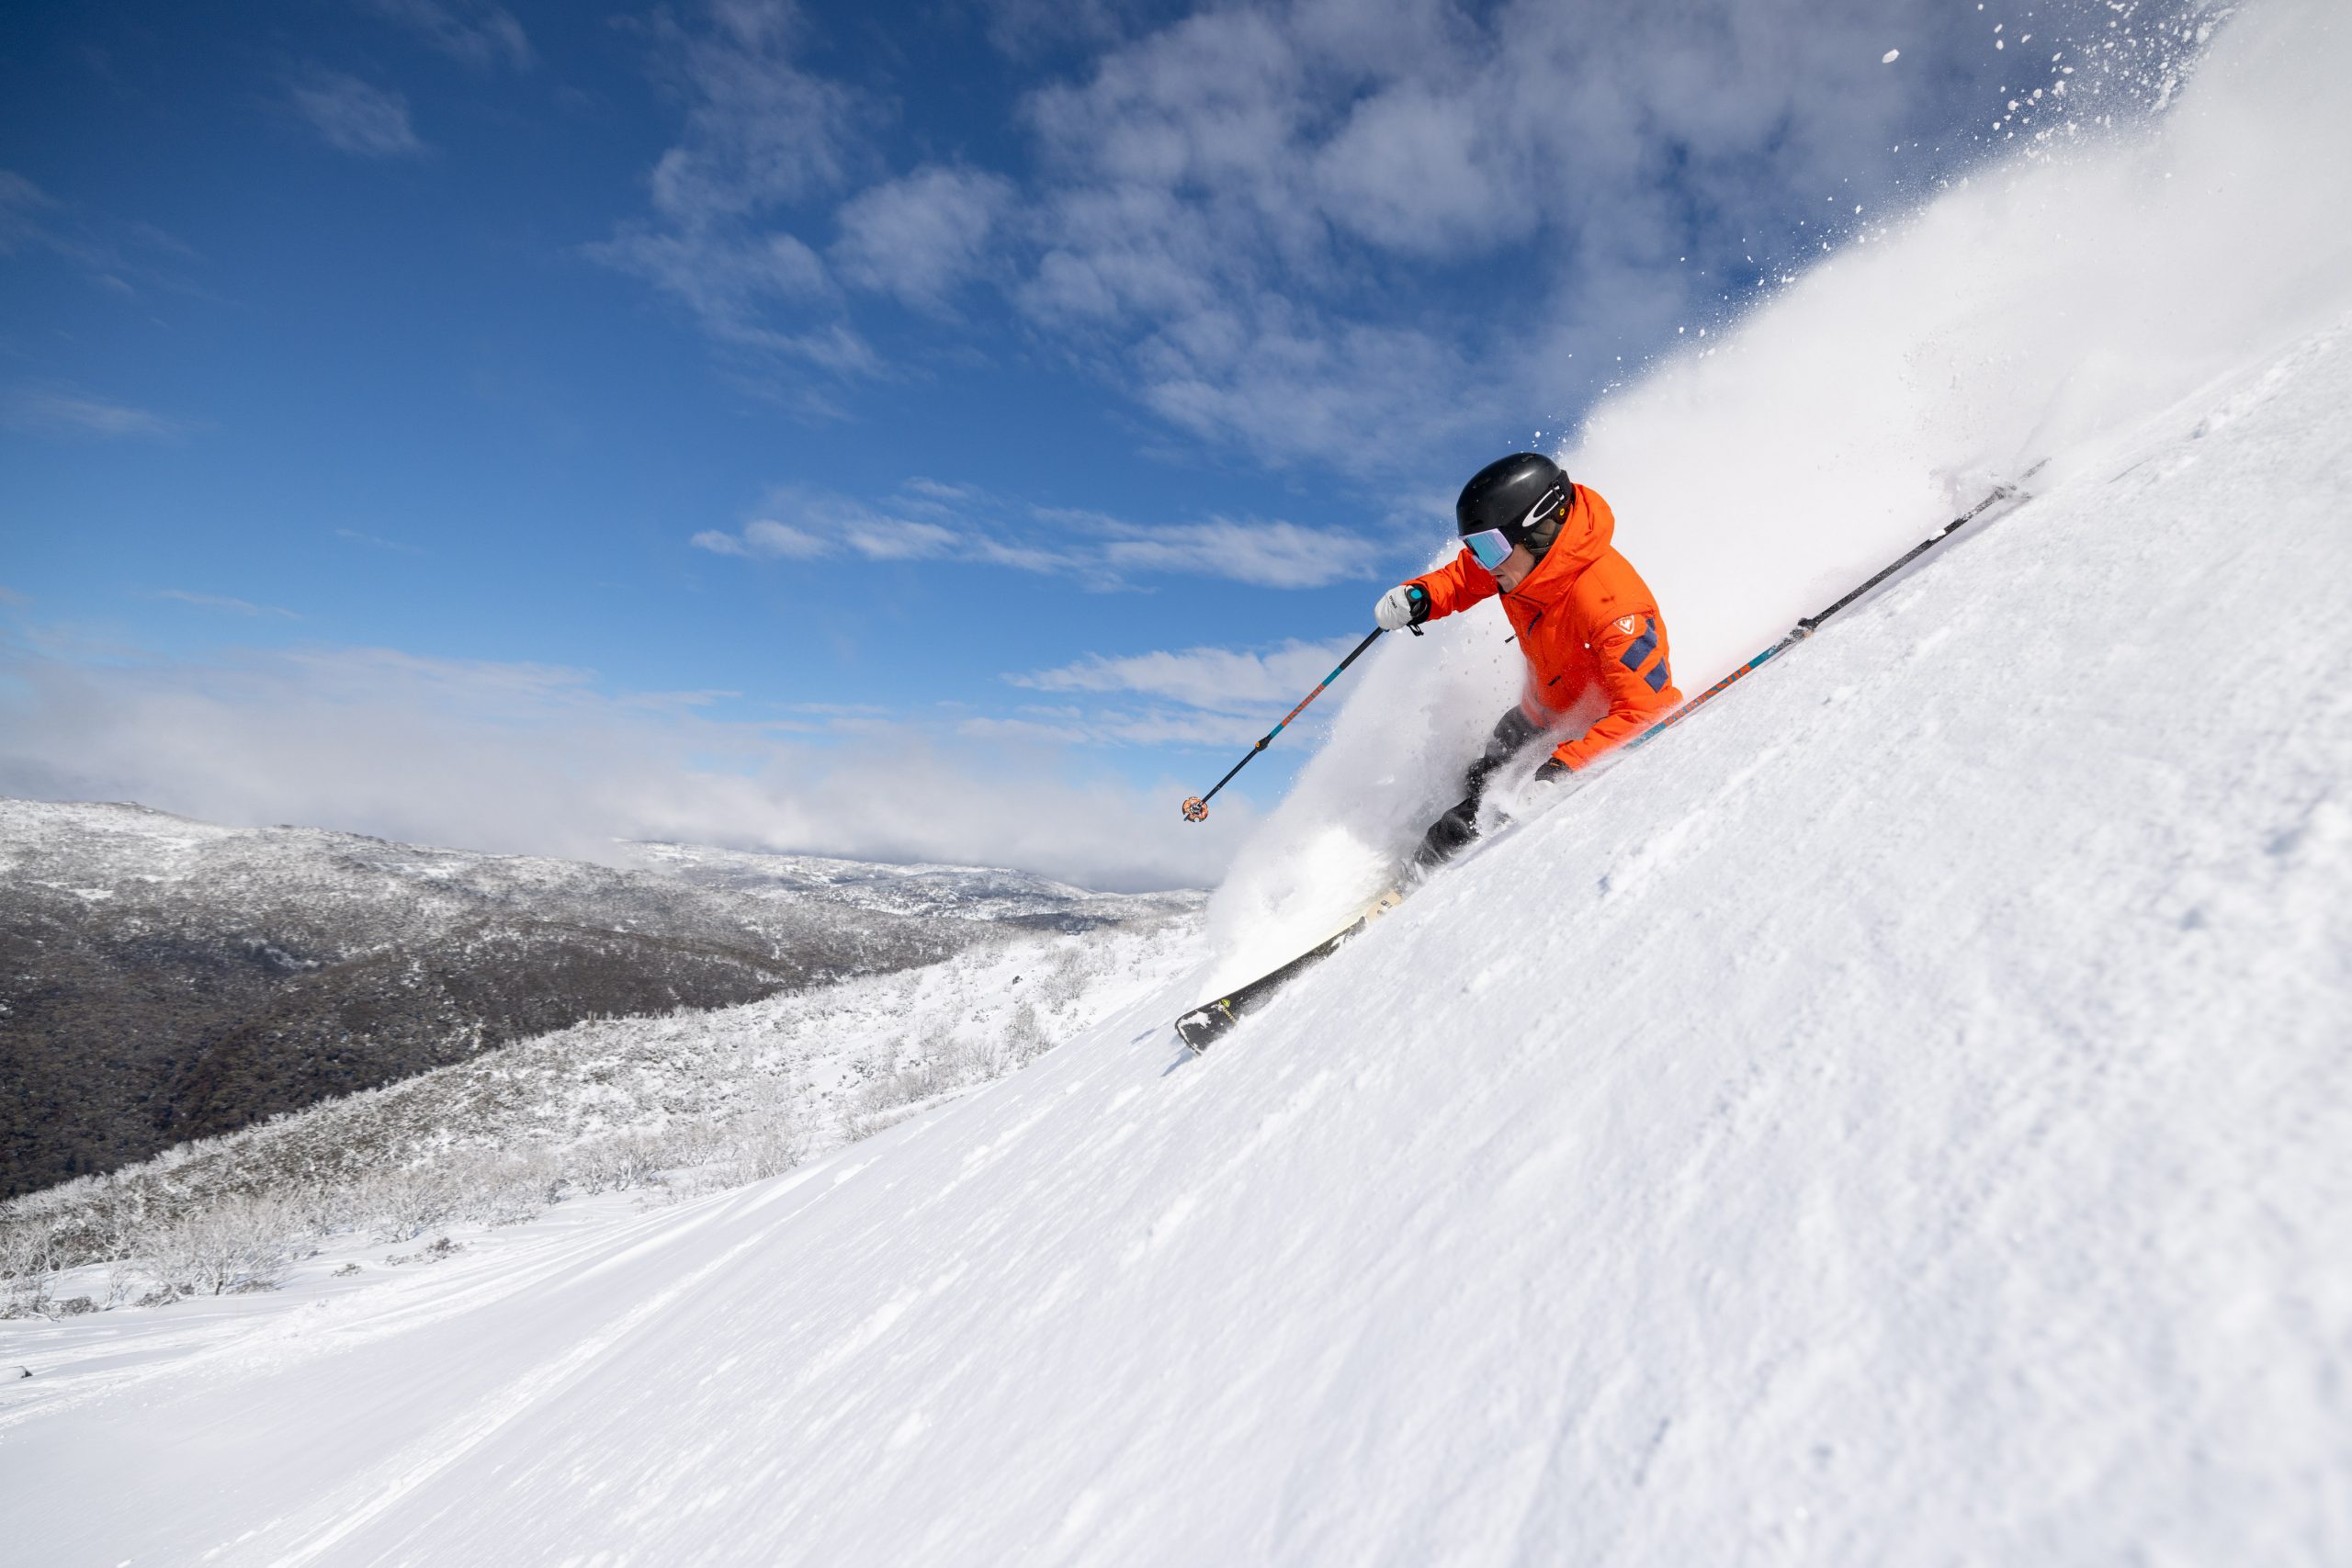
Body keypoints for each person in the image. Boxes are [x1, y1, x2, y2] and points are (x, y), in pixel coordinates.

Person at [1374, 452, 1685, 867]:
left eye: (1487, 547)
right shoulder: (1518, 561)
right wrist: (1422, 597)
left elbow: (1647, 708)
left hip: (1579, 734)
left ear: (1540, 530)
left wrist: (1564, 767)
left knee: (1460, 827)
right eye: (1475, 548)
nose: (1484, 563)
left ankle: (1417, 882)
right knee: (1480, 775)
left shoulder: (1613, 605)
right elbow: (1464, 577)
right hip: (1534, 714)